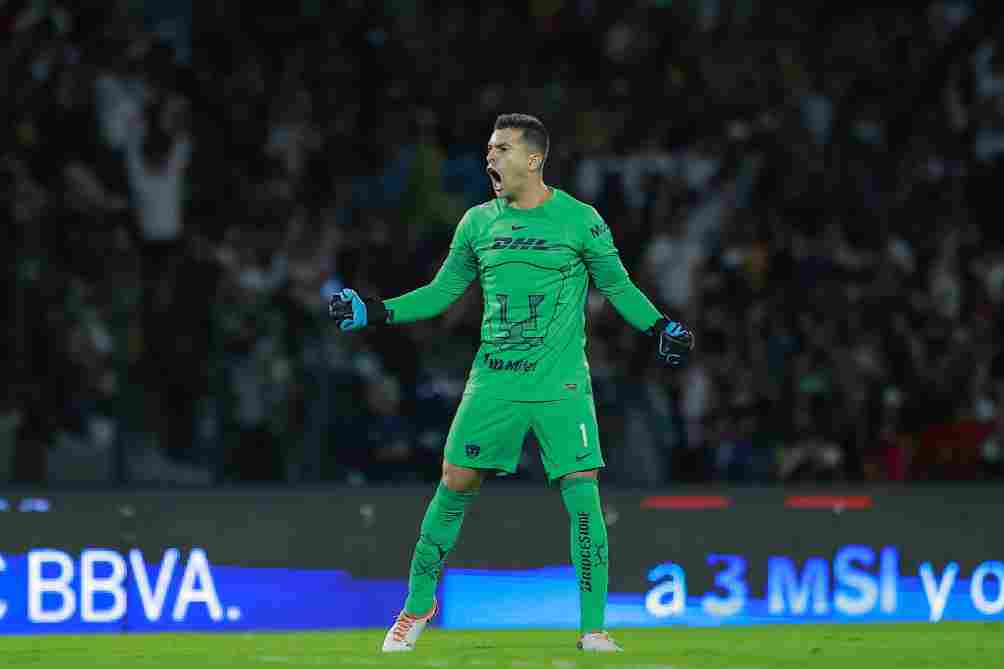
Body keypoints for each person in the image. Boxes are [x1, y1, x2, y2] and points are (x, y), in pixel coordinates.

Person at [330, 113, 694, 653]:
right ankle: (416, 607)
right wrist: (374, 312)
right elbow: (440, 292)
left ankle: (593, 629)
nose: (490, 158)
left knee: (583, 495)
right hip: (494, 382)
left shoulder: (581, 220)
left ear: (533, 159)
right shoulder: (477, 223)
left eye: (501, 149)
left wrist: (661, 325)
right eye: (489, 149)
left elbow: (617, 286)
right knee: (455, 481)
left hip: (561, 385)